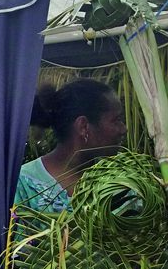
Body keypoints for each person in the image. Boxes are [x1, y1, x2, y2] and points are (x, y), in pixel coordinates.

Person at [14, 79, 127, 213]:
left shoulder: (121, 181)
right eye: (117, 120)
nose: (123, 129)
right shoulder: (22, 186)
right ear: (83, 126)